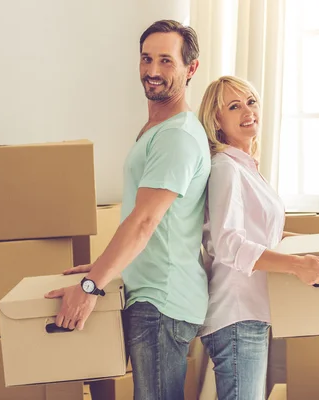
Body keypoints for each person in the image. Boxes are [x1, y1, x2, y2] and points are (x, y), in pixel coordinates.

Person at [44, 20, 211, 400]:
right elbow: (149, 220)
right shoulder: (159, 129)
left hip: (162, 301)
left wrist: (91, 286)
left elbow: (145, 221)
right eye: (146, 59)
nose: (153, 71)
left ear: (192, 68)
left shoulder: (176, 137)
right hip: (152, 295)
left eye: (166, 61)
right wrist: (107, 266)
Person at [197, 76, 319, 400]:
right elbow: (228, 243)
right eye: (234, 106)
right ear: (216, 121)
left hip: (252, 314)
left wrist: (314, 249)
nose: (248, 111)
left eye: (251, 102)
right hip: (236, 315)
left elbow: (267, 234)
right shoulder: (226, 169)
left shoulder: (246, 168)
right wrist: (296, 266)